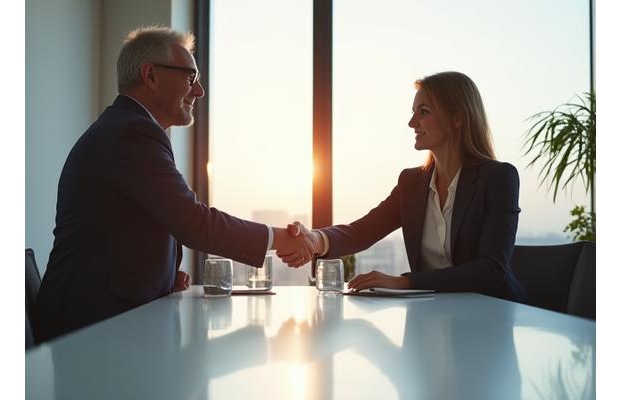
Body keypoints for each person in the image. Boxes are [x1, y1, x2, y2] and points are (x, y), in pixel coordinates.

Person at [33, 26, 314, 343]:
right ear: (150, 75)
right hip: (88, 327)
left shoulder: (128, 129)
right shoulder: (132, 133)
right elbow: (193, 222)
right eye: (190, 78)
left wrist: (162, 279)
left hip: (105, 319)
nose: (199, 91)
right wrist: (280, 238)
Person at [280, 71, 527, 302]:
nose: (412, 122)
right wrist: (314, 239)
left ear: (457, 118)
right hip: (435, 314)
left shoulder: (498, 178)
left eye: (424, 112)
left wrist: (404, 282)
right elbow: (361, 232)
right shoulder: (412, 184)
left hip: (496, 313)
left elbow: (490, 271)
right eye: (414, 112)